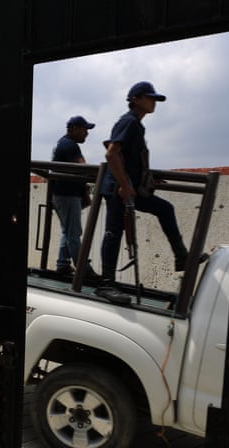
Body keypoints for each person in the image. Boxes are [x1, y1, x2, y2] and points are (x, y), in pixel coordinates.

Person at [96, 81, 189, 304]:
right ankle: (105, 285)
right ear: (135, 99)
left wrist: (146, 177)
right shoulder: (129, 122)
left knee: (165, 209)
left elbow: (129, 158)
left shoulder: (135, 124)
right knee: (113, 232)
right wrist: (125, 185)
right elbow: (111, 154)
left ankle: (182, 258)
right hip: (119, 189)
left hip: (130, 188)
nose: (153, 102)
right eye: (150, 97)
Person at [49, 115, 100, 281]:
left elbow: (79, 171)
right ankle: (83, 269)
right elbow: (83, 168)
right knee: (74, 233)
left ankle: (63, 264)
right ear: (74, 129)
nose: (86, 133)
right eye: (84, 129)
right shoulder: (70, 145)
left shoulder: (64, 143)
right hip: (67, 196)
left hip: (65, 195)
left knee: (68, 230)